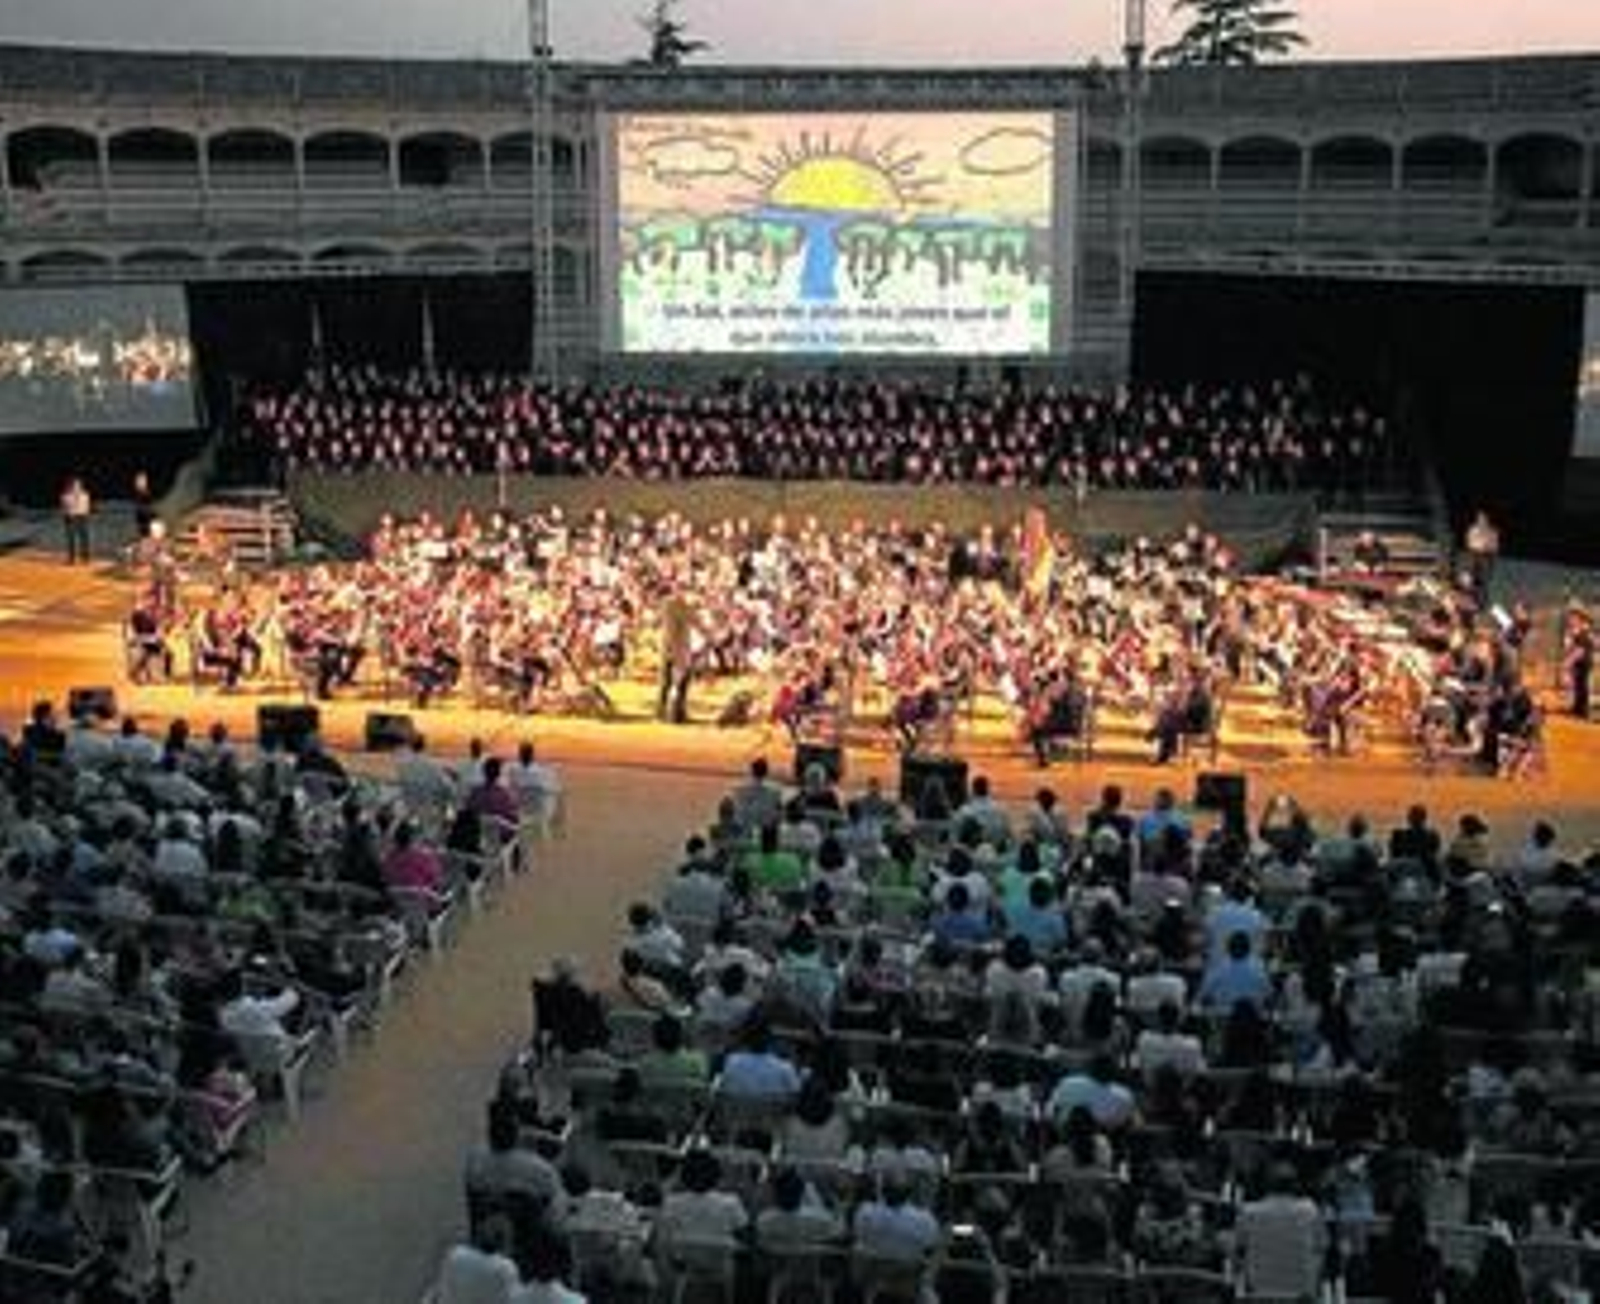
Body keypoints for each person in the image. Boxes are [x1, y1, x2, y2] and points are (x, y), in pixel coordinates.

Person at [1463, 509, 1499, 606]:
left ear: (1487, 520)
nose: (1482, 521)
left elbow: (1495, 546)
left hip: (1486, 556)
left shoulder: (1492, 531)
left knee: (1484, 580)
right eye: (1480, 518)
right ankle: (1470, 599)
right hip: (1474, 554)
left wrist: (1488, 548)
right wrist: (1479, 544)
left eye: (1484, 519)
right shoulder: (1473, 530)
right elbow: (1469, 542)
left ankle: (1481, 602)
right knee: (1471, 578)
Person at [60, 476, 92, 564]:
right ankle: (72, 558)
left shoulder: (85, 495)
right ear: (71, 486)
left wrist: (81, 511)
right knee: (71, 539)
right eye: (74, 485)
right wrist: (71, 511)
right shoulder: (65, 496)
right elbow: (65, 508)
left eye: (78, 485)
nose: (76, 487)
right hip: (70, 518)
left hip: (82, 517)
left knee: (84, 538)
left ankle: (85, 557)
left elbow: (87, 507)